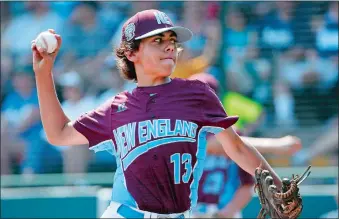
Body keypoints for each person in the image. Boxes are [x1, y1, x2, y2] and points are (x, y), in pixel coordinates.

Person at [31, 9, 283, 218]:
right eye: (157, 41)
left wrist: (278, 187)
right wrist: (43, 74)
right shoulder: (117, 108)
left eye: (172, 41)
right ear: (131, 53)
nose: (169, 47)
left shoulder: (197, 94)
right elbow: (59, 134)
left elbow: (236, 148)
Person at [189, 73, 302, 218]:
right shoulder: (181, 132)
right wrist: (276, 145)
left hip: (222, 210)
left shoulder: (233, 132)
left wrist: (225, 213)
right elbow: (214, 144)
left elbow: (247, 185)